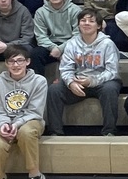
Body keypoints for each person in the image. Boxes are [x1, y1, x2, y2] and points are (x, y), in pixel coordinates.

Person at [46, 9, 122, 137]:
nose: (86, 23)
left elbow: (112, 71)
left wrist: (92, 81)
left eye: (91, 21)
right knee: (54, 90)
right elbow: (65, 68)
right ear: (78, 24)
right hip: (78, 82)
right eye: (83, 20)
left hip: (102, 82)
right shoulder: (71, 43)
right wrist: (70, 83)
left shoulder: (107, 44)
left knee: (110, 88)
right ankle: (55, 132)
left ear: (98, 26)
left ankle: (109, 131)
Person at [0, 44, 48, 179]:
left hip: (31, 121)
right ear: (6, 63)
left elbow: (35, 111)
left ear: (28, 62)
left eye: (20, 60)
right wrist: (4, 125)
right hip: (5, 124)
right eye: (11, 61)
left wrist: (17, 124)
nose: (16, 65)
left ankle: (35, 177)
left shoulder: (39, 81)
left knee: (25, 132)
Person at [31, 0, 82, 75]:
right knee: (35, 54)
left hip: (70, 45)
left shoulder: (76, 10)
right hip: (50, 46)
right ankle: (39, 84)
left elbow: (78, 35)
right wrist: (54, 48)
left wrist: (61, 49)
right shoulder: (40, 12)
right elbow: (40, 37)